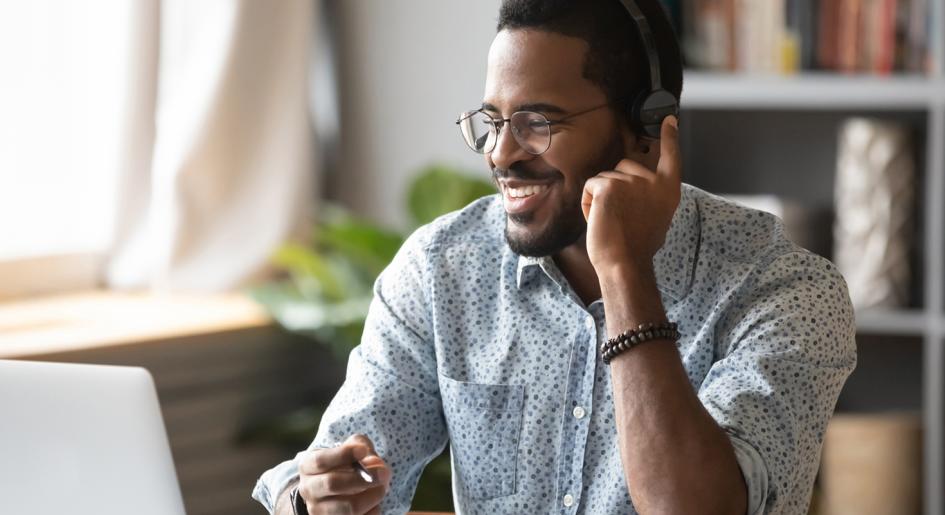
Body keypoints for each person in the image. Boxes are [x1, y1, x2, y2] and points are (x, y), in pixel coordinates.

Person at [252, 0, 857, 514]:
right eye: (492, 121)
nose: (501, 154)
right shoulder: (442, 270)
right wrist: (315, 497)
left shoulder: (784, 291)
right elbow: (326, 473)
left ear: (648, 127)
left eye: (538, 122)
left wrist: (624, 271)